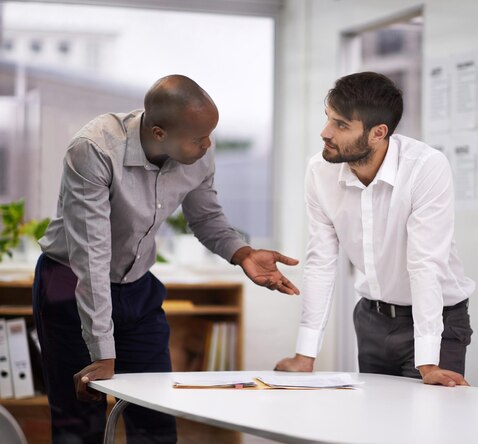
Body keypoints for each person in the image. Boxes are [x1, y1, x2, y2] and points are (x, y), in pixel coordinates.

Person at [33, 74, 300, 444]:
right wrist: (102, 349)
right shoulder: (94, 149)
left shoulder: (195, 150)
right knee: (80, 422)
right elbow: (90, 257)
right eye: (198, 139)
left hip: (137, 286)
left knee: (156, 418)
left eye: (210, 135)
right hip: (70, 283)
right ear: (159, 133)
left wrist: (243, 254)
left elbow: (205, 216)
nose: (208, 146)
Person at [275, 72, 474, 387]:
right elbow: (322, 260)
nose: (325, 132)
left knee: (427, 427)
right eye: (328, 118)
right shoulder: (319, 171)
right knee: (376, 426)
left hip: (438, 321)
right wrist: (305, 355)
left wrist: (428, 363)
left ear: (378, 133)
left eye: (341, 125)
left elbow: (425, 264)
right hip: (372, 320)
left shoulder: (425, 167)